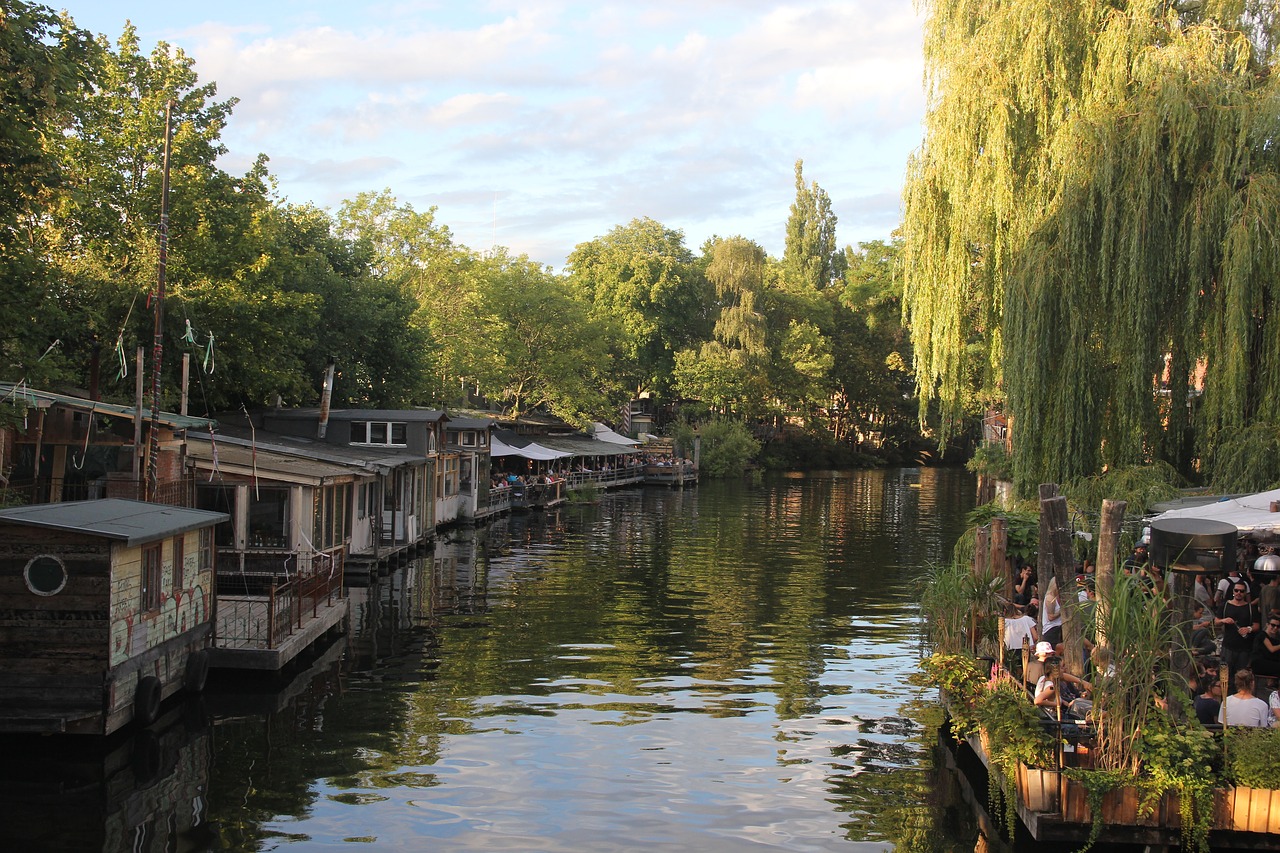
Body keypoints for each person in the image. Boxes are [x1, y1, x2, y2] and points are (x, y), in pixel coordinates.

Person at [1218, 580, 1260, 682]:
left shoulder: (1250, 608)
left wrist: (1248, 629)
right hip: (1228, 646)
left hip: (1244, 649)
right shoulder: (1225, 605)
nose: (1238, 593)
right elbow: (1216, 621)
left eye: (1241, 591)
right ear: (1233, 591)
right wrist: (1224, 620)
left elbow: (1257, 625)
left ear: (1245, 593)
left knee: (1241, 677)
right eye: (1236, 590)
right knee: (1225, 676)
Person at [1252, 613, 1280, 679]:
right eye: (1273, 625)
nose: (1275, 628)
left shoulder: (1274, 640)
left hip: (1267, 662)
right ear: (1267, 624)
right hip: (1259, 664)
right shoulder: (1262, 635)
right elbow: (1271, 649)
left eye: (1278, 626)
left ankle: (1272, 684)